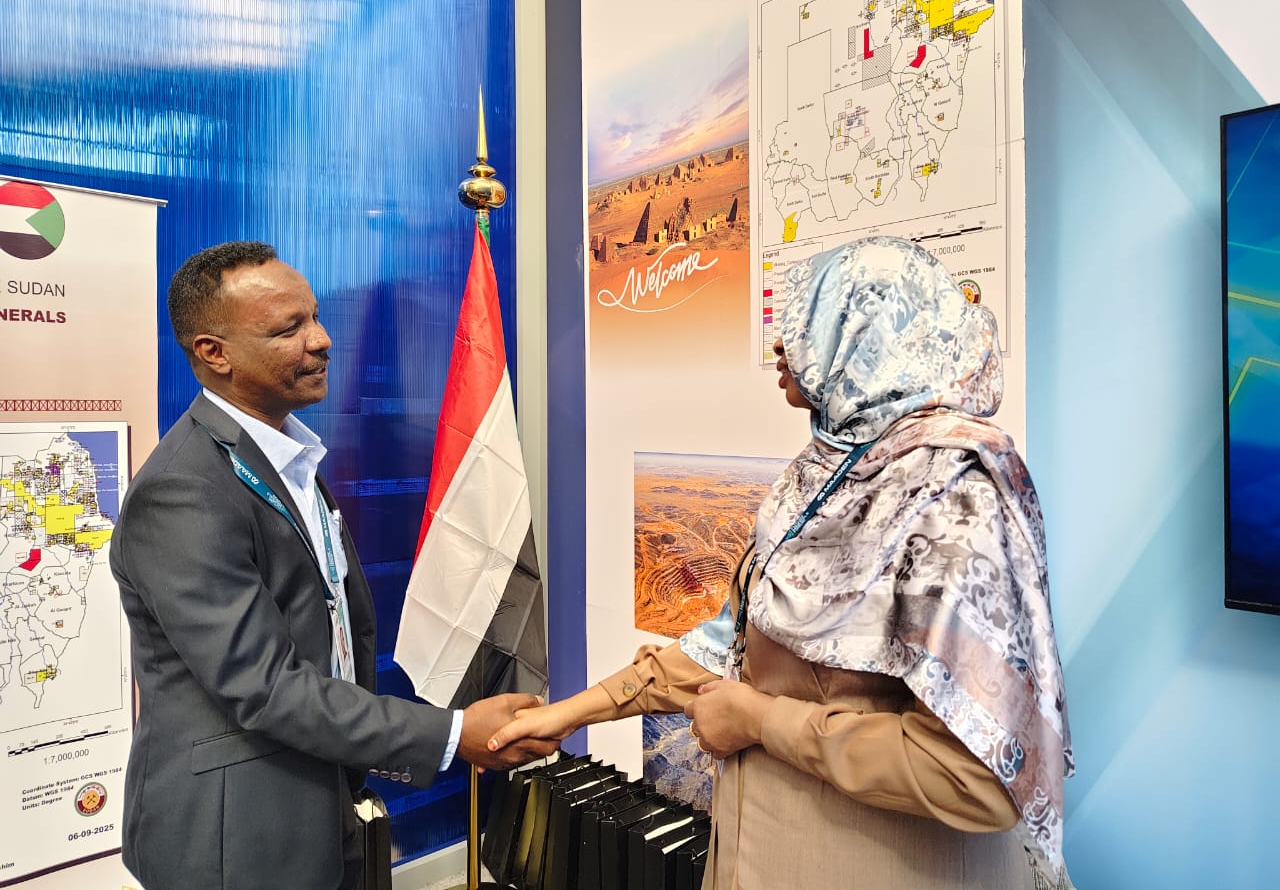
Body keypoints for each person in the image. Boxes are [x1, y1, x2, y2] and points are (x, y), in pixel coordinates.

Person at [489, 236, 1074, 889]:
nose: (781, 344)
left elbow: (979, 776)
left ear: (872, 339)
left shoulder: (953, 496)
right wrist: (571, 713)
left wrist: (762, 721)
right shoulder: (825, 475)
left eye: (811, 318)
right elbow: (732, 643)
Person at [109, 241, 557, 890]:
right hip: (236, 837)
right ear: (214, 352)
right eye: (287, 329)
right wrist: (451, 733)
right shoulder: (183, 491)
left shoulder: (287, 456)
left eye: (315, 317)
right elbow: (265, 686)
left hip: (321, 797)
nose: (320, 340)